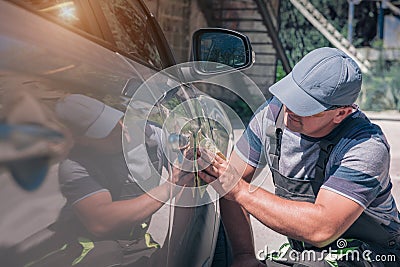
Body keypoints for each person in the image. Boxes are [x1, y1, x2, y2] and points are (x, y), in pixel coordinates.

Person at [198, 47, 400, 266]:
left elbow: (322, 228)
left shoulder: (365, 145)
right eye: (291, 96)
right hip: (308, 255)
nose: (290, 109)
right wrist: (243, 255)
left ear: (341, 113)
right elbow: (229, 182)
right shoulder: (272, 118)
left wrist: (239, 191)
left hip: (371, 255)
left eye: (306, 107)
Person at [20, 94, 191, 267]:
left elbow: (184, 158)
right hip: (91, 246)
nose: (122, 132)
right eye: (105, 131)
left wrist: (191, 157)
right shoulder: (74, 166)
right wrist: (169, 188)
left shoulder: (150, 134)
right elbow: (101, 221)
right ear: (81, 140)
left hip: (137, 240)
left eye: (115, 122)